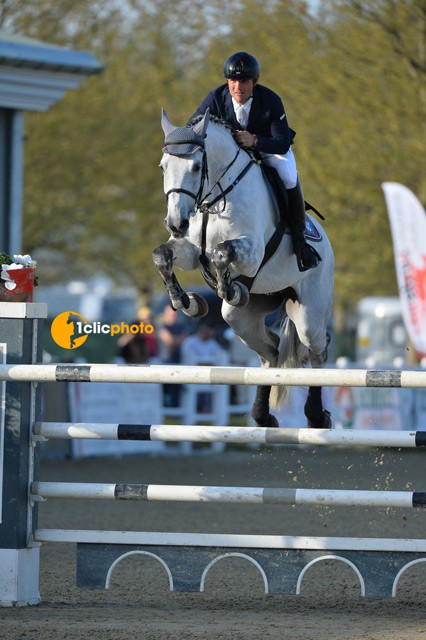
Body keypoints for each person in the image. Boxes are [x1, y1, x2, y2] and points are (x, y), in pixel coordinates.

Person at [189, 51, 320, 272]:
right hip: (232, 155)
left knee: (288, 175)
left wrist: (255, 140)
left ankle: (300, 240)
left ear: (254, 82)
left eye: (244, 81)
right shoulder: (215, 98)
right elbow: (192, 127)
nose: (238, 87)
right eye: (233, 81)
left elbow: (282, 143)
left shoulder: (270, 101)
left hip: (267, 147)